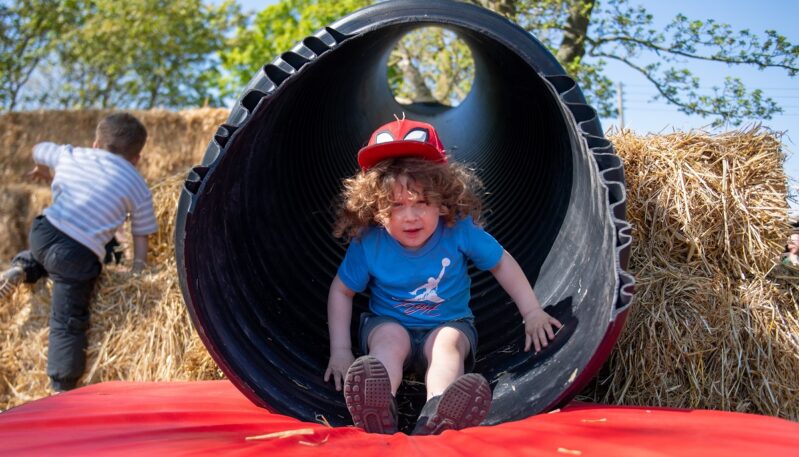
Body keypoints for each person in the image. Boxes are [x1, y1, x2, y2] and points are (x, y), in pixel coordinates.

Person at [323, 118, 562, 435]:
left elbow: (501, 263)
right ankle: (379, 406)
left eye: (422, 201)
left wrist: (531, 312)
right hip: (390, 322)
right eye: (395, 205)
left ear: (443, 199)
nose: (410, 216)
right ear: (375, 208)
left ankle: (436, 413)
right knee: (387, 343)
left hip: (448, 323)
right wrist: (341, 350)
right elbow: (342, 291)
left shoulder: (458, 228)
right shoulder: (370, 242)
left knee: (447, 346)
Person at [0, 112, 157, 392]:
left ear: (96, 143)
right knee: (68, 320)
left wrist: (42, 169)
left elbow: (39, 149)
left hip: (44, 231)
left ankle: (21, 268)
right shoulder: (137, 184)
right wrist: (138, 270)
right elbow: (141, 232)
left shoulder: (73, 154)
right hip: (78, 253)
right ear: (137, 160)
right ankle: (62, 384)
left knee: (48, 255)